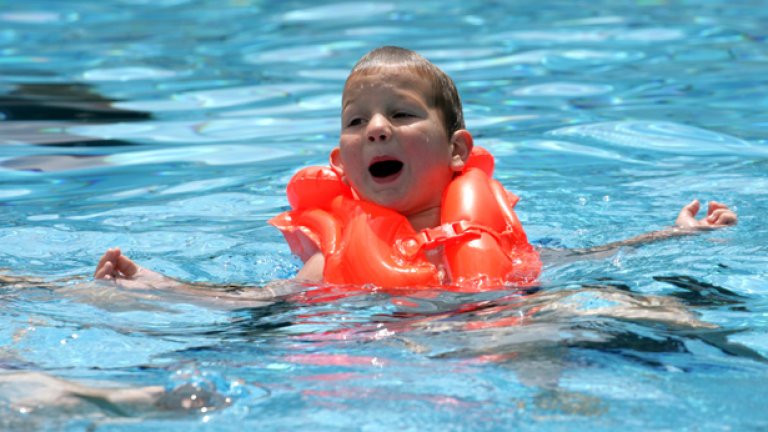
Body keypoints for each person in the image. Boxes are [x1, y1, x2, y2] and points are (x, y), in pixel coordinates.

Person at [94, 46, 737, 291]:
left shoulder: (493, 240)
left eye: (401, 116)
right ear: (343, 163)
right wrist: (153, 284)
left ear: (458, 152)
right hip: (384, 351)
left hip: (501, 328)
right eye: (356, 122)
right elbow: (250, 303)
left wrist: (672, 238)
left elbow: (586, 259)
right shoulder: (332, 259)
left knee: (641, 315)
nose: (375, 129)